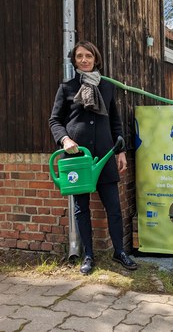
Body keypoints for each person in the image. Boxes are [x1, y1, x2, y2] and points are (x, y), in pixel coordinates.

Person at [49, 40, 137, 275]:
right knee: (81, 207)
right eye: (80, 56)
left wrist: (120, 151)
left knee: (114, 207)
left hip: (105, 155)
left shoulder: (107, 87)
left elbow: (115, 121)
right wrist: (65, 140)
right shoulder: (67, 88)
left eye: (88, 56)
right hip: (77, 158)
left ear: (96, 59)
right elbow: (55, 120)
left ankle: (119, 252)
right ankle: (88, 254)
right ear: (74, 60)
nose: (84, 60)